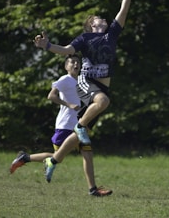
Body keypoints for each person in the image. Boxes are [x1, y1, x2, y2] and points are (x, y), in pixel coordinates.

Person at [33, 0, 133, 189]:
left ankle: (53, 160)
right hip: (87, 83)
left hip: (101, 89)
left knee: (80, 139)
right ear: (91, 26)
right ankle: (80, 126)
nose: (105, 20)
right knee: (101, 105)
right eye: (99, 20)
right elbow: (67, 50)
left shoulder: (112, 35)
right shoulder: (85, 38)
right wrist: (47, 46)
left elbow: (123, 10)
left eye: (104, 19)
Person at [9, 55, 109, 197]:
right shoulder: (65, 79)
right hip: (65, 124)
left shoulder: (83, 80)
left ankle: (93, 189)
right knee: (57, 157)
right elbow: (51, 96)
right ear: (66, 66)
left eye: (77, 62)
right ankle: (25, 158)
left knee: (87, 154)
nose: (76, 64)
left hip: (80, 123)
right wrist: (69, 105)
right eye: (72, 62)